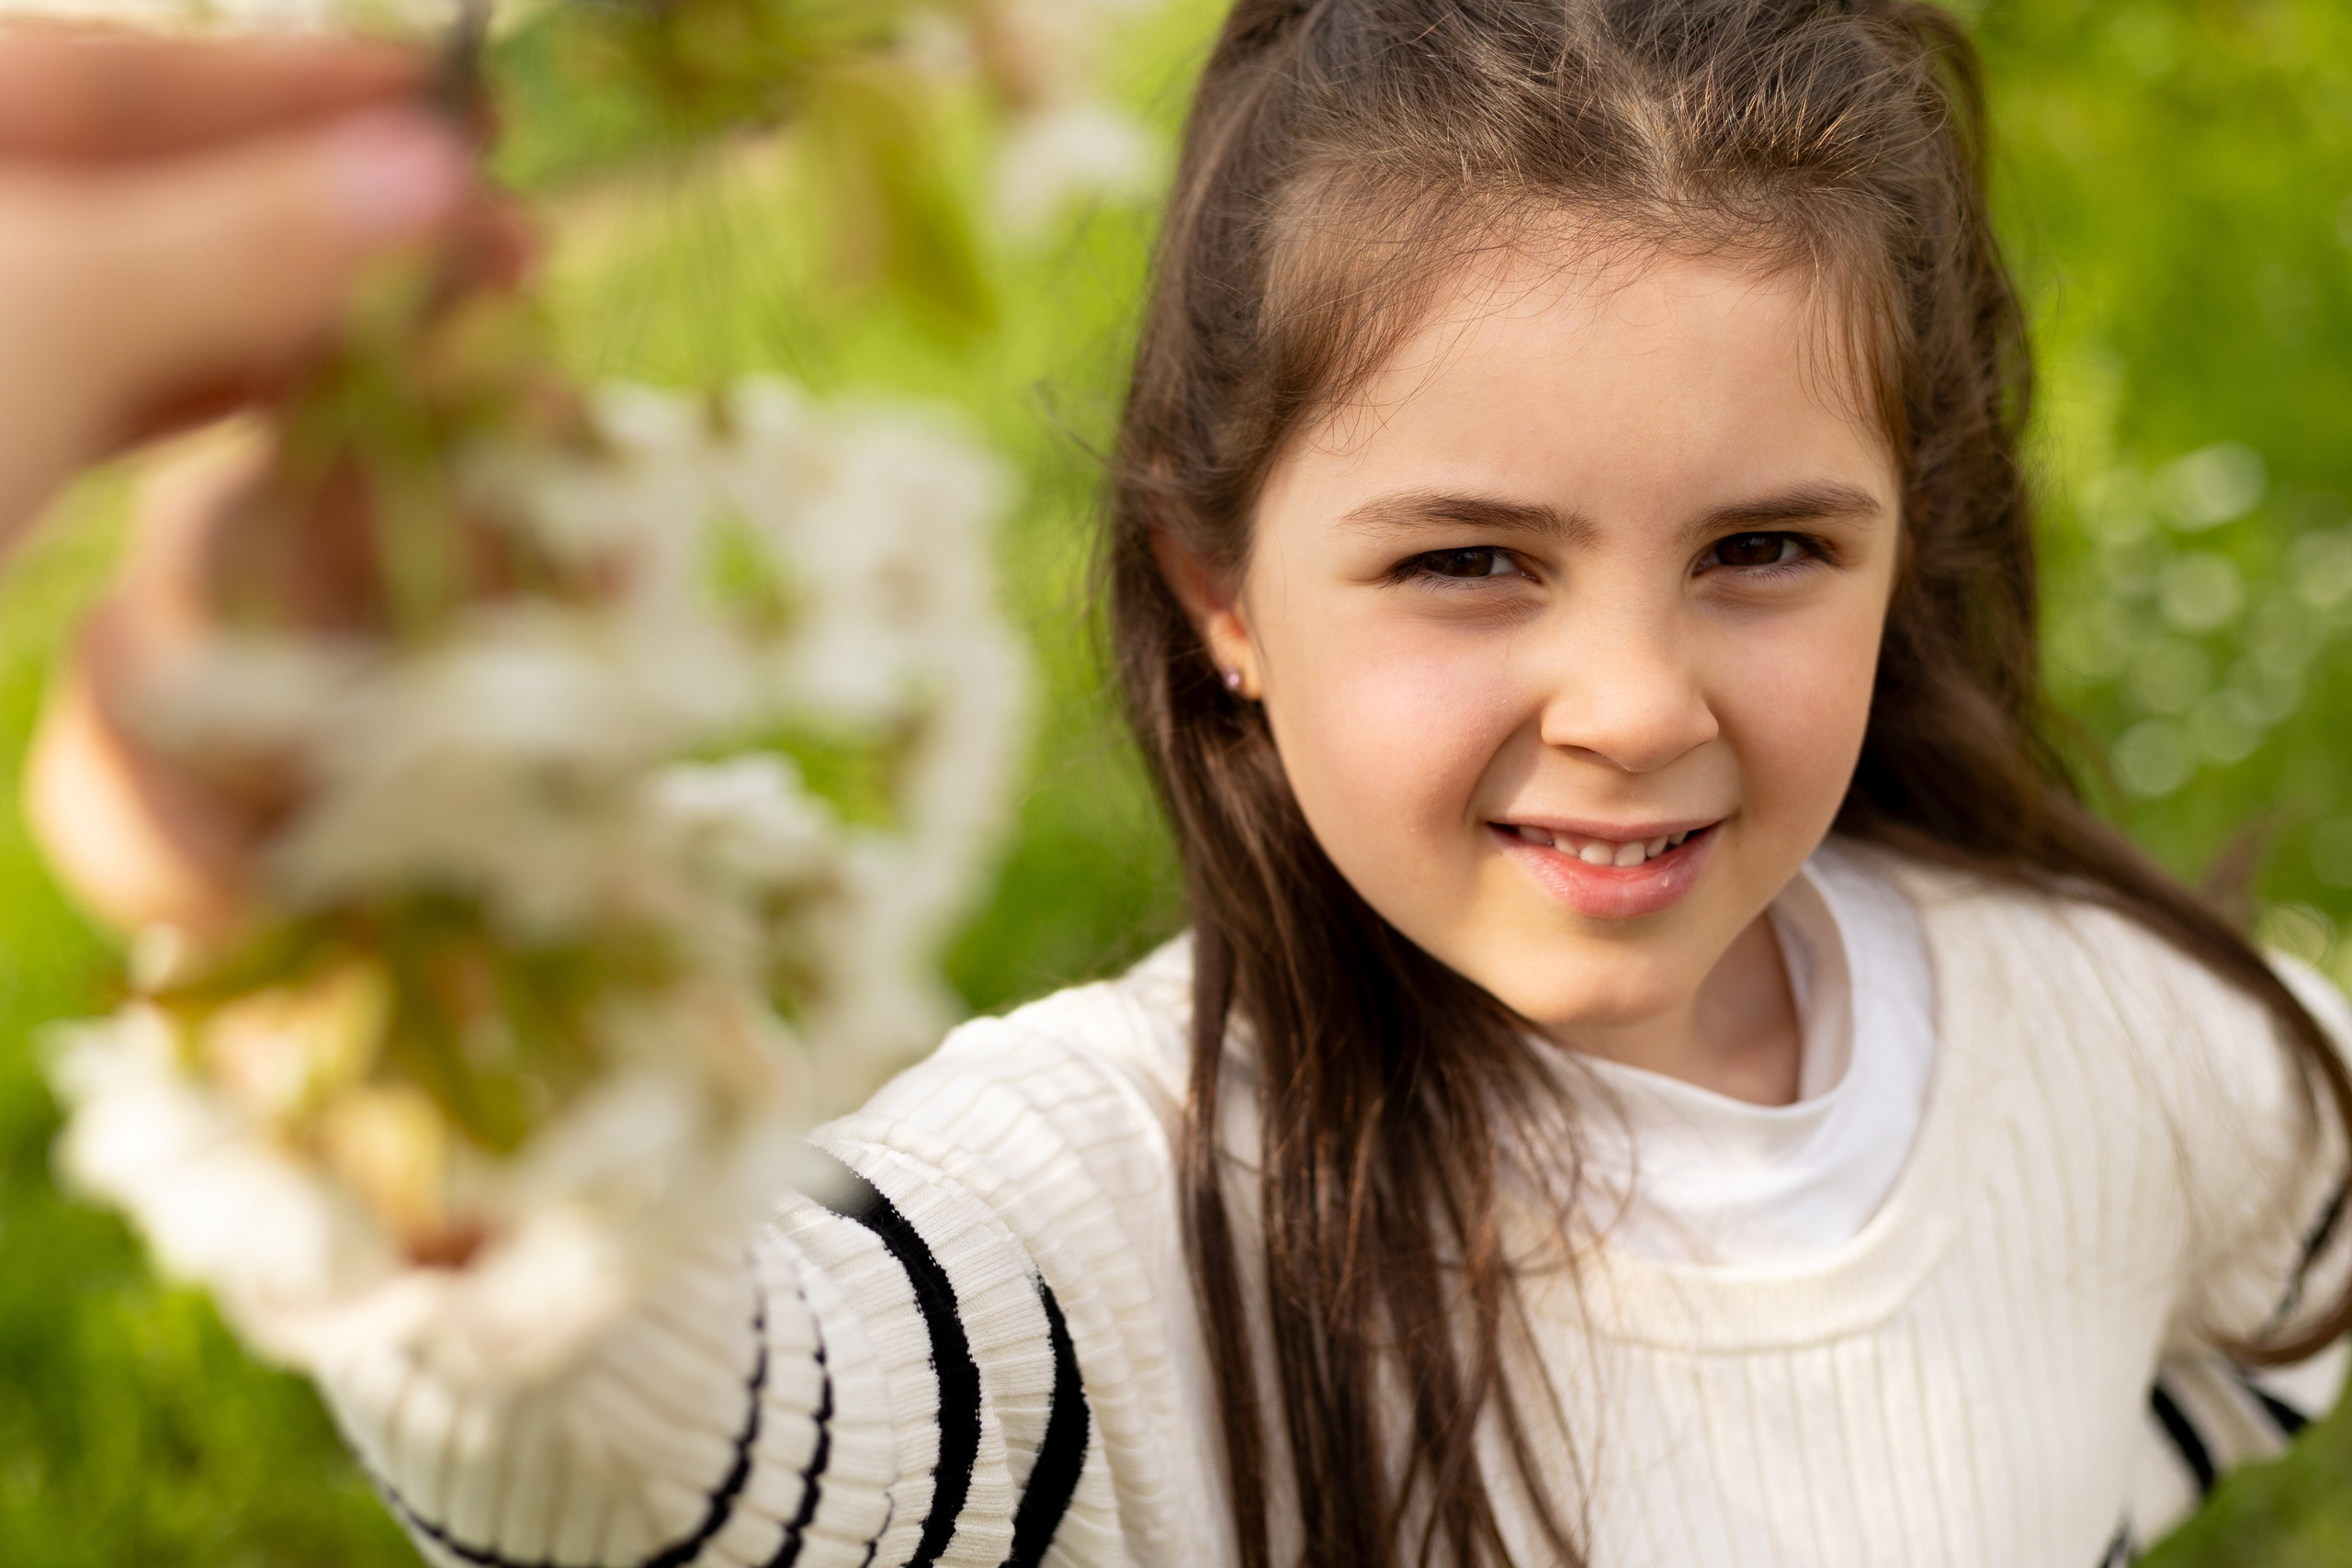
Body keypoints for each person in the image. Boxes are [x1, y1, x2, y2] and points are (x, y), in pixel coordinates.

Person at [28, 2, 2352, 1565]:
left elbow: (2265, 1276)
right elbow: (679, 1464)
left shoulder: (2112, 1043)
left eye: (1761, 550)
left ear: (1901, 543)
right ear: (1219, 589)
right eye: (1467, 562)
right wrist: (394, 971)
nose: (1636, 700)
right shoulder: (1103, 1203)